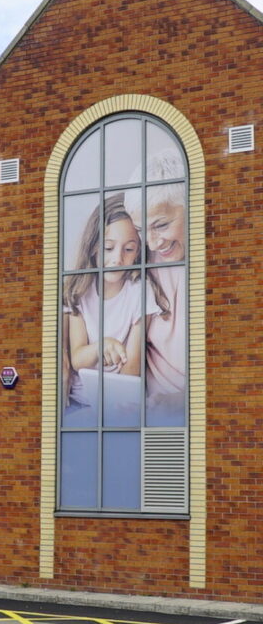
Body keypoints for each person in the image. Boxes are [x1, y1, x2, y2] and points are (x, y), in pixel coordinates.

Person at [63, 194, 157, 414]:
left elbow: (132, 368)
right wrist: (102, 345)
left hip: (118, 404)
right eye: (108, 248)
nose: (117, 259)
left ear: (138, 253)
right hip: (78, 400)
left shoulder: (140, 292)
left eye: (129, 249)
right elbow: (77, 359)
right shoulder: (78, 291)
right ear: (94, 247)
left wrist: (114, 408)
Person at [125, 148, 185, 425]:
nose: (151, 242)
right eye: (140, 230)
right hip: (147, 412)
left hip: (189, 412)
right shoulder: (138, 262)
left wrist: (181, 402)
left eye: (161, 225)